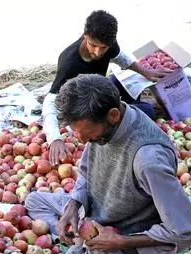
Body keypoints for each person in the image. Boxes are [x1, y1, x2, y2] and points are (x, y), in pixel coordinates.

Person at [26, 74, 191, 254]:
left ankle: (83, 250)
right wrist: (73, 205)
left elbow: (187, 229)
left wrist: (119, 242)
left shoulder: (148, 159)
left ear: (113, 115)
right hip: (97, 213)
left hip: (124, 240)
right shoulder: (105, 126)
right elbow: (87, 171)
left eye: (86, 134)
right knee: (34, 200)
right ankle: (82, 245)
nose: (81, 140)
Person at [43, 10, 170, 166]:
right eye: (93, 45)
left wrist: (146, 72)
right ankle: (137, 109)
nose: (98, 52)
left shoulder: (107, 43)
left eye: (103, 48)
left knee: (124, 84)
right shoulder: (70, 63)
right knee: (146, 111)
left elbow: (120, 57)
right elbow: (51, 99)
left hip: (99, 90)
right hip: (87, 107)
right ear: (85, 35)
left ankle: (132, 107)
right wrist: (55, 138)